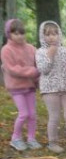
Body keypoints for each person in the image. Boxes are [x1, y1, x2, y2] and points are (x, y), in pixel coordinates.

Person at [36, 20, 66, 152]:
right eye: (48, 34)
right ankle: (52, 143)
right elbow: (43, 69)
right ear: (42, 36)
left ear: (59, 35)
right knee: (54, 116)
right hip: (50, 90)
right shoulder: (40, 52)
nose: (51, 37)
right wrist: (50, 54)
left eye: (54, 34)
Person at [2, 19, 41, 151]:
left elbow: (39, 63)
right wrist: (32, 72)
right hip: (16, 87)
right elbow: (12, 68)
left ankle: (31, 138)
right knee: (24, 114)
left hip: (29, 87)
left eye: (22, 33)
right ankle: (16, 138)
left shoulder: (31, 48)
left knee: (32, 114)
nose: (20, 36)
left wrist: (39, 77)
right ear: (9, 34)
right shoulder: (6, 50)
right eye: (16, 33)